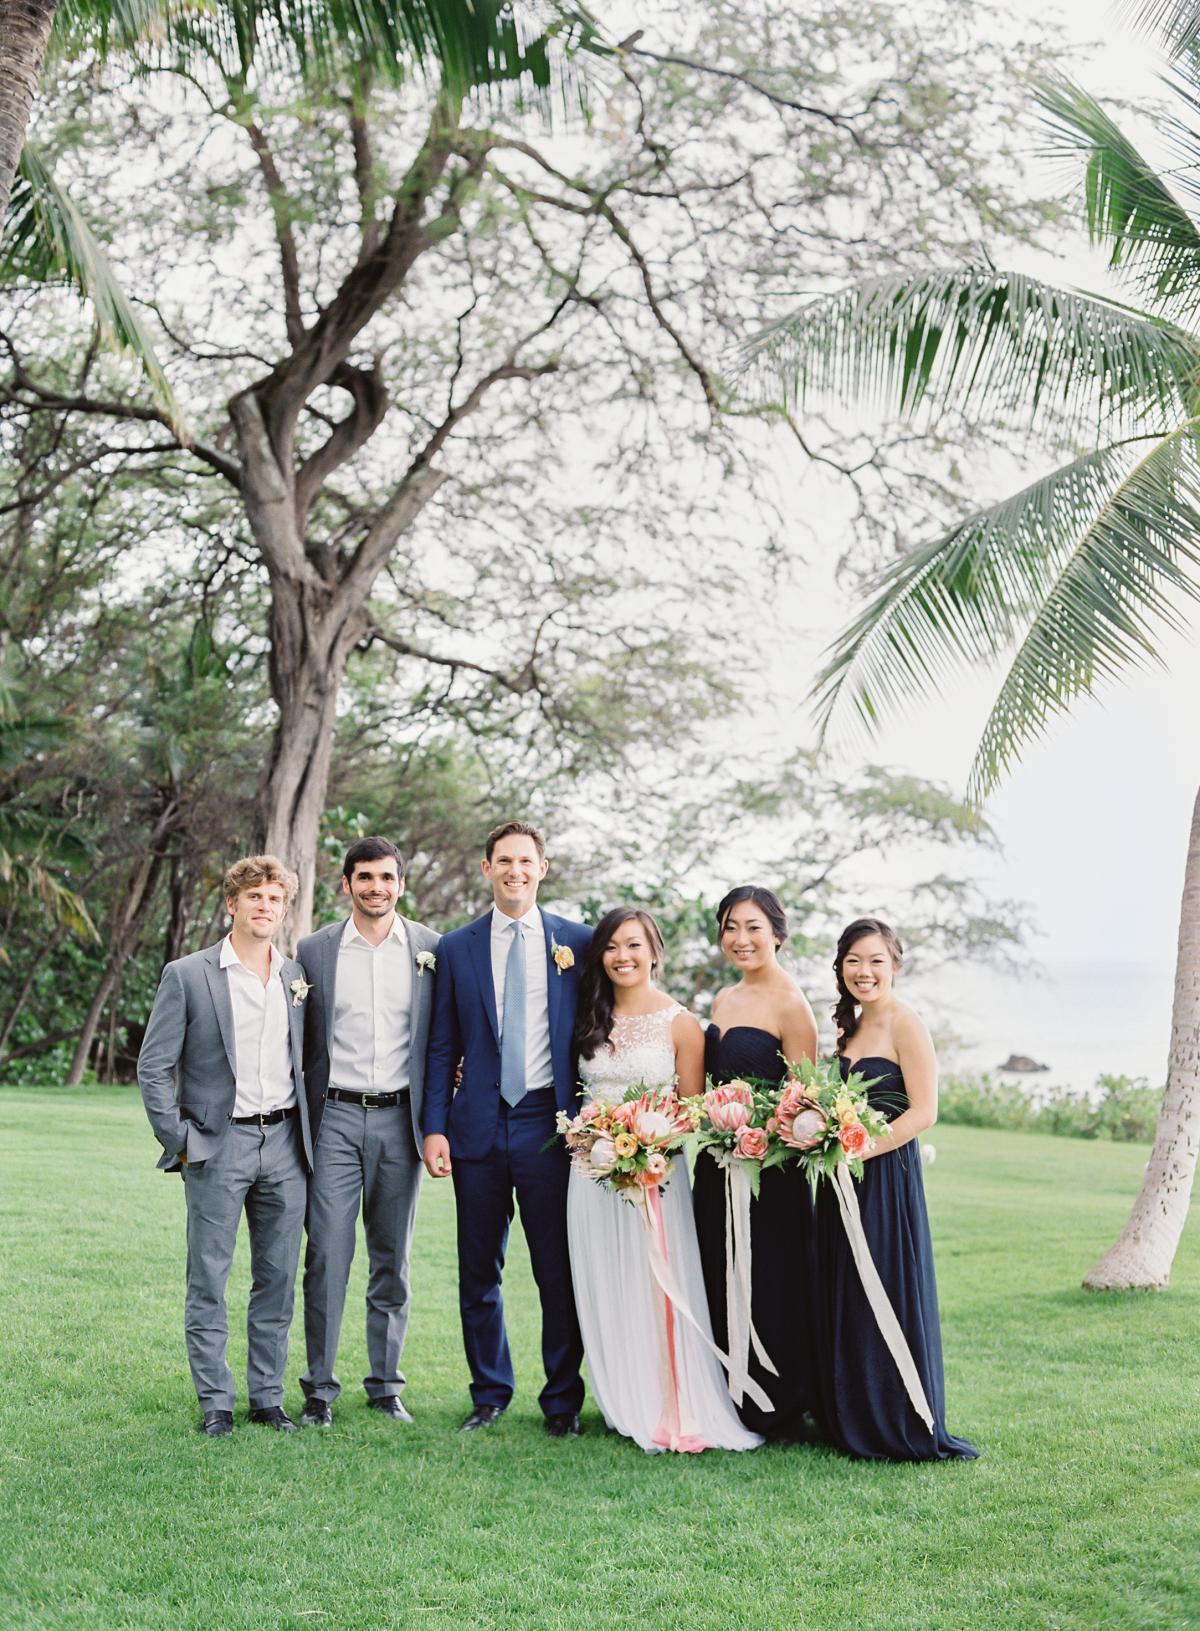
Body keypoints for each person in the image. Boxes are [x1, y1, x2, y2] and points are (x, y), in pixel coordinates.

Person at [568, 907, 762, 1454]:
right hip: (589, 1170)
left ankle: (664, 1398)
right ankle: (620, 1395)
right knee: (604, 1277)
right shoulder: (589, 1015)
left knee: (655, 1286)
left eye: (633, 945)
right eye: (610, 947)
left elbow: (692, 1109)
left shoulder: (681, 1023)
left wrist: (647, 1144)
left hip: (655, 1174)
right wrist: (598, 1141)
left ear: (654, 950)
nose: (622, 957)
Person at [422, 820, 592, 1435]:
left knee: (557, 1271)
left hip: (553, 1127)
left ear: (542, 868)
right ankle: (489, 1394)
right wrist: (434, 1127)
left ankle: (562, 1403)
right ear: (487, 868)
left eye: (526, 861)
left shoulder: (580, 942)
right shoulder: (456, 947)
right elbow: (443, 1045)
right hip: (477, 1130)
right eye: (504, 861)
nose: (515, 871)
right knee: (478, 1271)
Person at [137, 854, 313, 1436]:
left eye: (275, 900)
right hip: (217, 1145)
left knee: (276, 1278)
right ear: (232, 903)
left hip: (285, 1143)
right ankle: (216, 1401)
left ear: (284, 910)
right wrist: (182, 1141)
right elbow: (153, 1067)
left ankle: (267, 1398)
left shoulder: (294, 978)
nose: (266, 907)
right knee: (208, 1277)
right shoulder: (188, 974)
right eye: (255, 897)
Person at [811, 916, 978, 1461]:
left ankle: (897, 1417)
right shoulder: (848, 1029)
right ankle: (851, 1413)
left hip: (885, 1176)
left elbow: (924, 1112)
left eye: (875, 961)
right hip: (841, 1179)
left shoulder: (908, 1024)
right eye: (854, 961)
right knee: (847, 1291)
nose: (864, 971)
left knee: (884, 1283)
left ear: (895, 967)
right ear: (841, 967)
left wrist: (859, 1148)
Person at [295, 838, 440, 1429]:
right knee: (327, 1254)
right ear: (346, 883)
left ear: (400, 885)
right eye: (364, 877)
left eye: (386, 877)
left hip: (400, 1120)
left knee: (392, 1257)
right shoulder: (315, 951)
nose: (375, 887)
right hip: (333, 1118)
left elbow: (443, 1037)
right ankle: (319, 1391)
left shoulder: (431, 949)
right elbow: (297, 1037)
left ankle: (385, 1386)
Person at [692, 885, 819, 1440]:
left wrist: (759, 1133)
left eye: (752, 928)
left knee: (770, 1280)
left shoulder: (793, 1005)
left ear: (777, 934)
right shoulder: (724, 998)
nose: (740, 939)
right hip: (717, 1167)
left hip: (771, 1175)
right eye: (730, 927)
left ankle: (776, 1403)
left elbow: (805, 1103)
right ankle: (726, 1390)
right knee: (719, 1275)